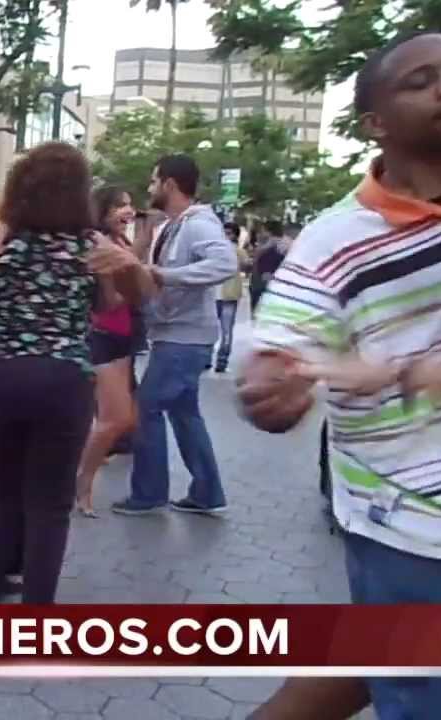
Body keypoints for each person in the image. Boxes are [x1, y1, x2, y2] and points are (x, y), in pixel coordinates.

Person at [242, 32, 441, 720]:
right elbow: (278, 362)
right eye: (420, 80)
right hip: (411, 524)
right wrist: (275, 386)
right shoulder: (335, 239)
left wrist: (413, 370)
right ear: (375, 123)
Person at [0, 143, 106, 604]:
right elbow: (110, 305)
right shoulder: (92, 245)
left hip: (2, 375)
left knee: (1, 493)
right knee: (50, 505)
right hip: (67, 377)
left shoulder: (3, 236)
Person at [89, 154, 237, 516]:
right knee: (185, 414)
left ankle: (149, 492)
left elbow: (225, 264)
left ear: (170, 184)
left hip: (183, 339)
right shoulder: (176, 225)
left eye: (154, 182)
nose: (150, 189)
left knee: (148, 408)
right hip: (179, 335)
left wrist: (165, 276)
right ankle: (206, 491)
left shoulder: (197, 224)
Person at [74, 186, 143, 518]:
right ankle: (81, 483)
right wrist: (140, 286)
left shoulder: (122, 244)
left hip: (122, 338)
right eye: (119, 206)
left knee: (124, 419)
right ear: (102, 212)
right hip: (105, 336)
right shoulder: (101, 246)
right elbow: (110, 301)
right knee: (114, 420)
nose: (127, 212)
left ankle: (79, 478)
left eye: (129, 205)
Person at [213, 220, 250, 373]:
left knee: (226, 330)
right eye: (224, 233)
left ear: (234, 235)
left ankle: (221, 361)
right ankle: (209, 359)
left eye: (228, 233)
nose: (226, 236)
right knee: (215, 329)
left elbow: (246, 265)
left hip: (228, 295)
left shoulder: (236, 251)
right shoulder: (215, 249)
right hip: (214, 294)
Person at [248, 220, 289, 316]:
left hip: (264, 282)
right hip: (265, 282)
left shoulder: (275, 244)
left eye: (263, 230)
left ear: (269, 231)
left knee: (259, 311)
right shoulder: (285, 243)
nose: (261, 233)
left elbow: (260, 259)